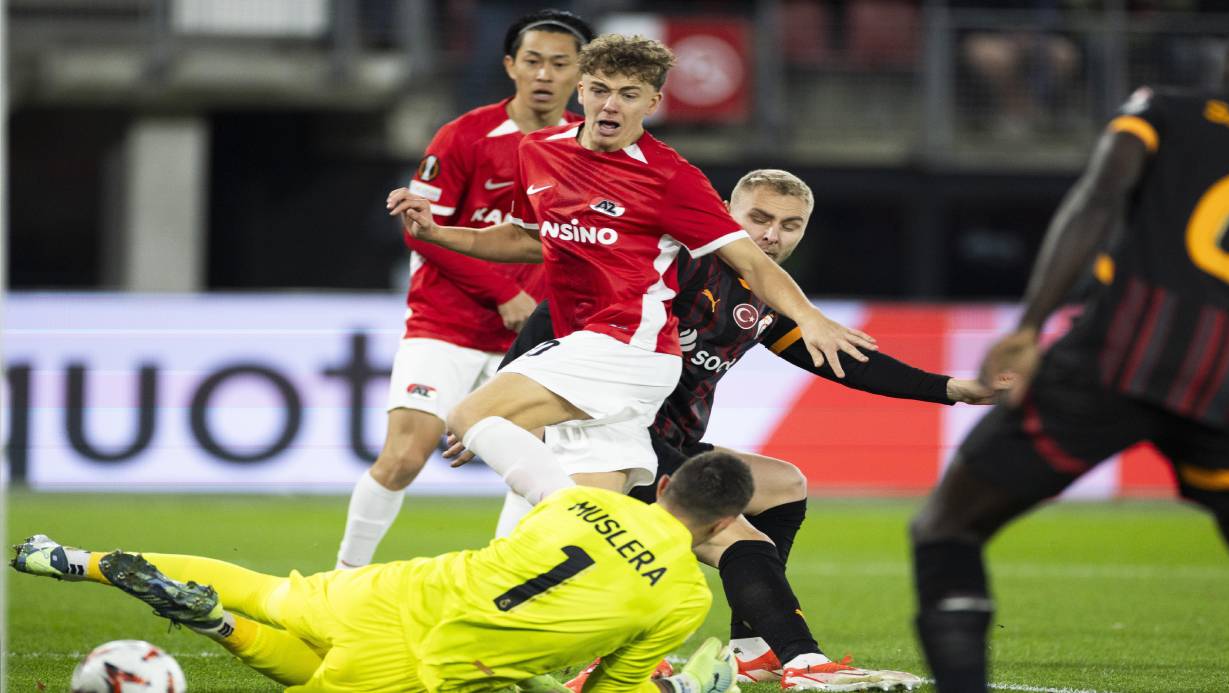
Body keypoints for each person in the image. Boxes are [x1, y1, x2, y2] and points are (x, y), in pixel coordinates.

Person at [909, 2, 1229, 690]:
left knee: (947, 527)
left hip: (1118, 351)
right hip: (1228, 375)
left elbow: (1098, 198)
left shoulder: (1168, 107)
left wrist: (1030, 325)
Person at [484, 169, 993, 691]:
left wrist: (953, 389)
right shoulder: (672, 262)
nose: (773, 235)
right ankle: (803, 663)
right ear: (726, 211)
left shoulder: (766, 296)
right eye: (760, 218)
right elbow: (559, 309)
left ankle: (753, 651)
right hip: (613, 440)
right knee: (730, 531)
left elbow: (845, 362)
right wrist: (497, 404)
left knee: (781, 485)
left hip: (667, 443)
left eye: (790, 225)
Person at [384, 36, 876, 526]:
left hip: (627, 345)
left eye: (628, 94)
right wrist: (438, 231)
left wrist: (808, 316)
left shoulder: (670, 178)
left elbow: (752, 262)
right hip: (593, 349)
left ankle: (574, 518)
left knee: (473, 418)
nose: (610, 105)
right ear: (580, 91)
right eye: (600, 89)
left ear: (653, 102)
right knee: (587, 526)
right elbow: (527, 238)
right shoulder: (538, 151)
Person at [12, 453, 755, 693]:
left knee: (270, 589)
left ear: (662, 485)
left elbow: (530, 556)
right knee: (312, 676)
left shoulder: (582, 499)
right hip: (433, 661)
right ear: (722, 524)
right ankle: (217, 625)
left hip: (397, 587)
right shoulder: (685, 595)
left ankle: (72, 558)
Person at [335, 9, 595, 570]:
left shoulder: (588, 145)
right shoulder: (465, 135)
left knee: (534, 468)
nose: (544, 74)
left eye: (559, 63)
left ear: (581, 73)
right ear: (509, 65)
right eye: (532, 61)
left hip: (533, 336)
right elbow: (422, 232)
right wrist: (504, 292)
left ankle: (500, 593)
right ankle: (342, 581)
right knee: (405, 455)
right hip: (446, 323)